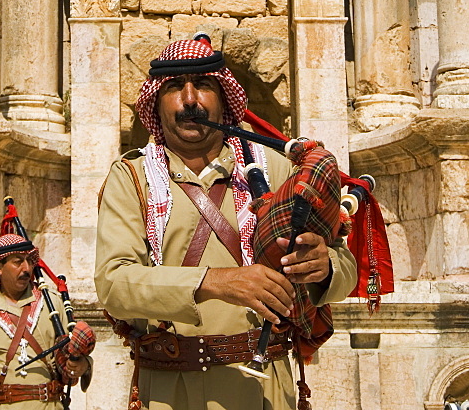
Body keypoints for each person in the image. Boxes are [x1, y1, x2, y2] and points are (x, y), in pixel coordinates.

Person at [95, 35, 358, 410]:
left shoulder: (278, 169)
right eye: (174, 87)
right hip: (171, 391)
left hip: (267, 388)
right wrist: (218, 282)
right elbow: (114, 284)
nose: (189, 100)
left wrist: (324, 267)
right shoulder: (132, 177)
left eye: (202, 85)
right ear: (157, 101)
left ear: (223, 100)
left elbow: (345, 265)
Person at [0, 234, 93, 410]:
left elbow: (75, 353)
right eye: (17, 261)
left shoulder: (53, 304)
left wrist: (82, 365)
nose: (26, 268)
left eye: (29, 261)